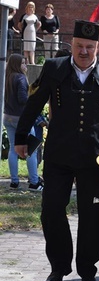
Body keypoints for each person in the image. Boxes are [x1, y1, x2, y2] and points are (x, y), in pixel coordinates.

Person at [14, 20, 99, 281]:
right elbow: (34, 103)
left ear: (98, 48)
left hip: (96, 157)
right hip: (59, 154)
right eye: (79, 46)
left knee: (94, 215)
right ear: (72, 46)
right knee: (51, 210)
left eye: (90, 47)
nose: (84, 52)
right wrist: (21, 137)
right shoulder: (54, 68)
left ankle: (87, 269)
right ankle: (59, 265)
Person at [3, 54, 43, 190]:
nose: (25, 66)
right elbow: (22, 98)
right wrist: (33, 99)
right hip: (21, 118)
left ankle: (14, 182)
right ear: (17, 65)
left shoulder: (6, 77)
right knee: (31, 148)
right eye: (23, 64)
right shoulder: (20, 78)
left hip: (7, 117)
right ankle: (34, 182)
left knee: (13, 148)